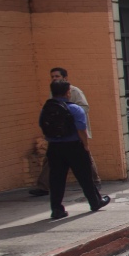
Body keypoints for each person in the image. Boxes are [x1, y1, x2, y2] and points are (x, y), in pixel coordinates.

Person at [40, 79, 110, 219]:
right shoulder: (74, 108)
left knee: (56, 179)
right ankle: (95, 202)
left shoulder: (46, 109)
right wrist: (85, 145)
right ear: (67, 93)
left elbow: (43, 125)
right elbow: (81, 130)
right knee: (85, 177)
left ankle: (57, 209)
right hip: (74, 146)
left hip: (54, 148)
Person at [30, 67, 100, 196]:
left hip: (74, 132)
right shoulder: (53, 92)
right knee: (49, 160)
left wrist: (68, 114)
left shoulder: (74, 91)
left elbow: (85, 107)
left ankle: (95, 181)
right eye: (52, 77)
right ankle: (43, 186)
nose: (54, 79)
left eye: (57, 76)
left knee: (85, 157)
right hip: (58, 134)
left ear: (65, 78)